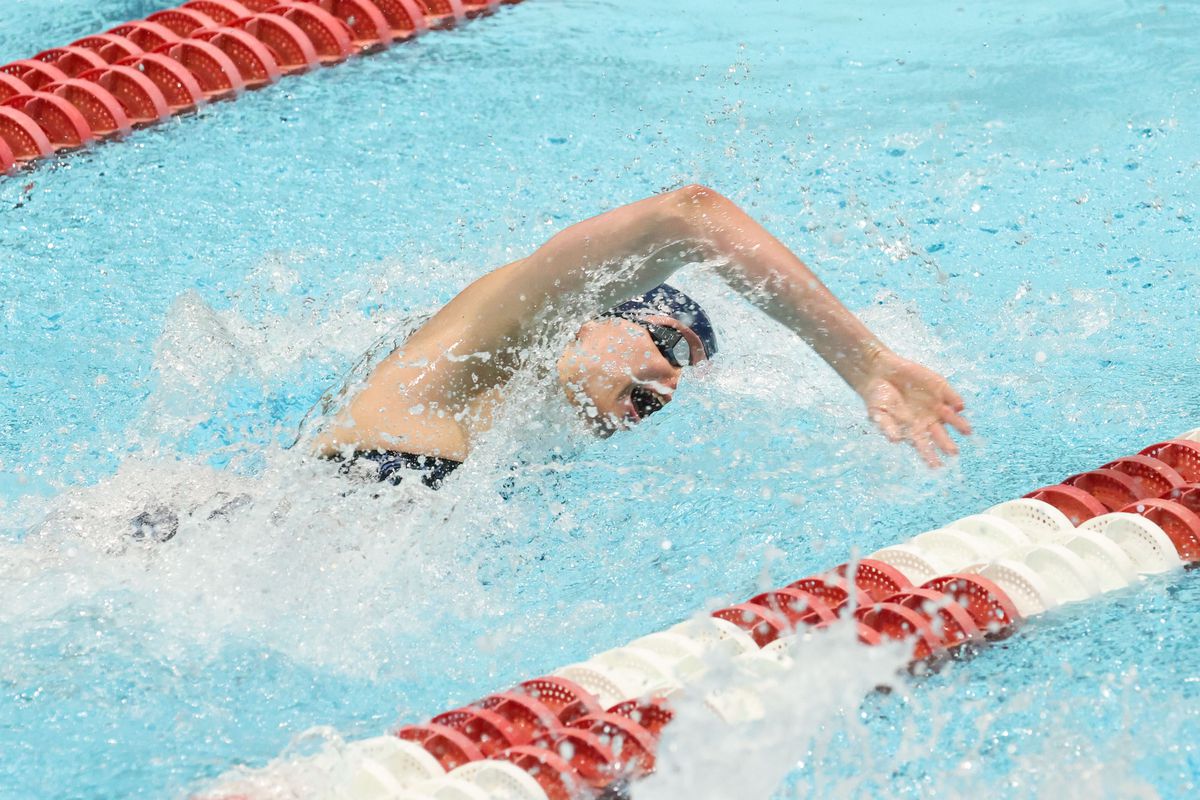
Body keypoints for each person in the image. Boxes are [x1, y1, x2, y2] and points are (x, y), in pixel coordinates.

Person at [311, 185, 971, 488]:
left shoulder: (516, 442)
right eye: (671, 343)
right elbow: (689, 214)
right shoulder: (495, 342)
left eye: (690, 367)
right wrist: (865, 363)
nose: (676, 377)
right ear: (592, 316)